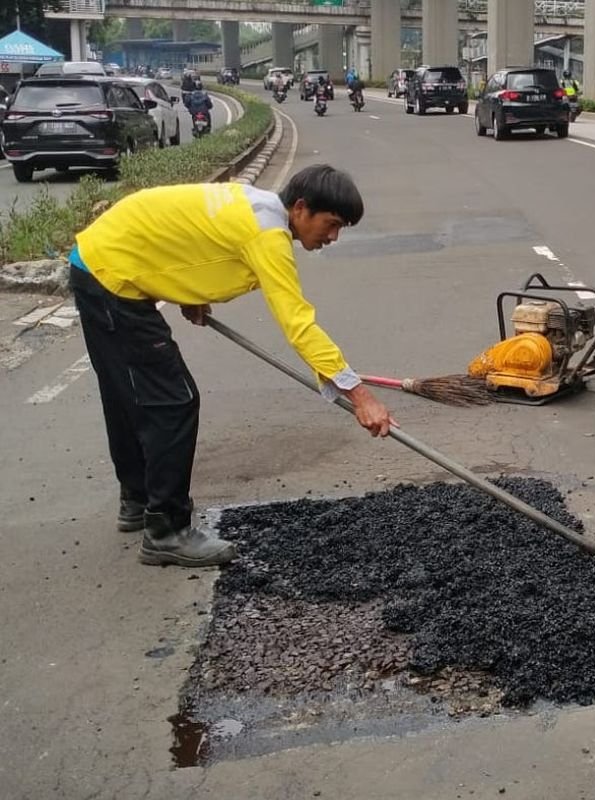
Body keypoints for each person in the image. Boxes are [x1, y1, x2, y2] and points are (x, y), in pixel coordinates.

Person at [68, 165, 392, 569]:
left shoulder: (257, 206)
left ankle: (138, 501)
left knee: (131, 394)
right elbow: (300, 326)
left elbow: (192, 231)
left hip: (101, 261)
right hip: (110, 275)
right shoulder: (267, 235)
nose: (332, 237)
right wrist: (360, 396)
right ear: (301, 208)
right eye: (331, 224)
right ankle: (166, 530)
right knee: (173, 401)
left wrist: (188, 288)